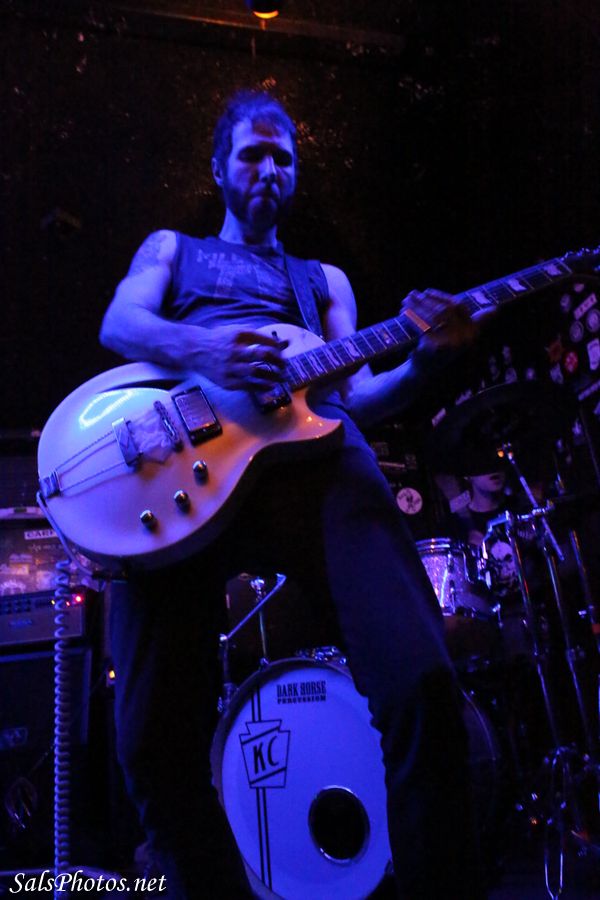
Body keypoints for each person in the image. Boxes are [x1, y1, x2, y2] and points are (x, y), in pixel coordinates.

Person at [100, 90, 482, 899]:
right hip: (188, 470)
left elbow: (358, 397)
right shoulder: (174, 250)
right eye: (253, 153)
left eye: (284, 158)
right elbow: (121, 322)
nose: (269, 168)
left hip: (316, 462)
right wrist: (207, 350)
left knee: (422, 685)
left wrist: (424, 364)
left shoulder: (321, 282)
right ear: (219, 168)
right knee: (149, 743)